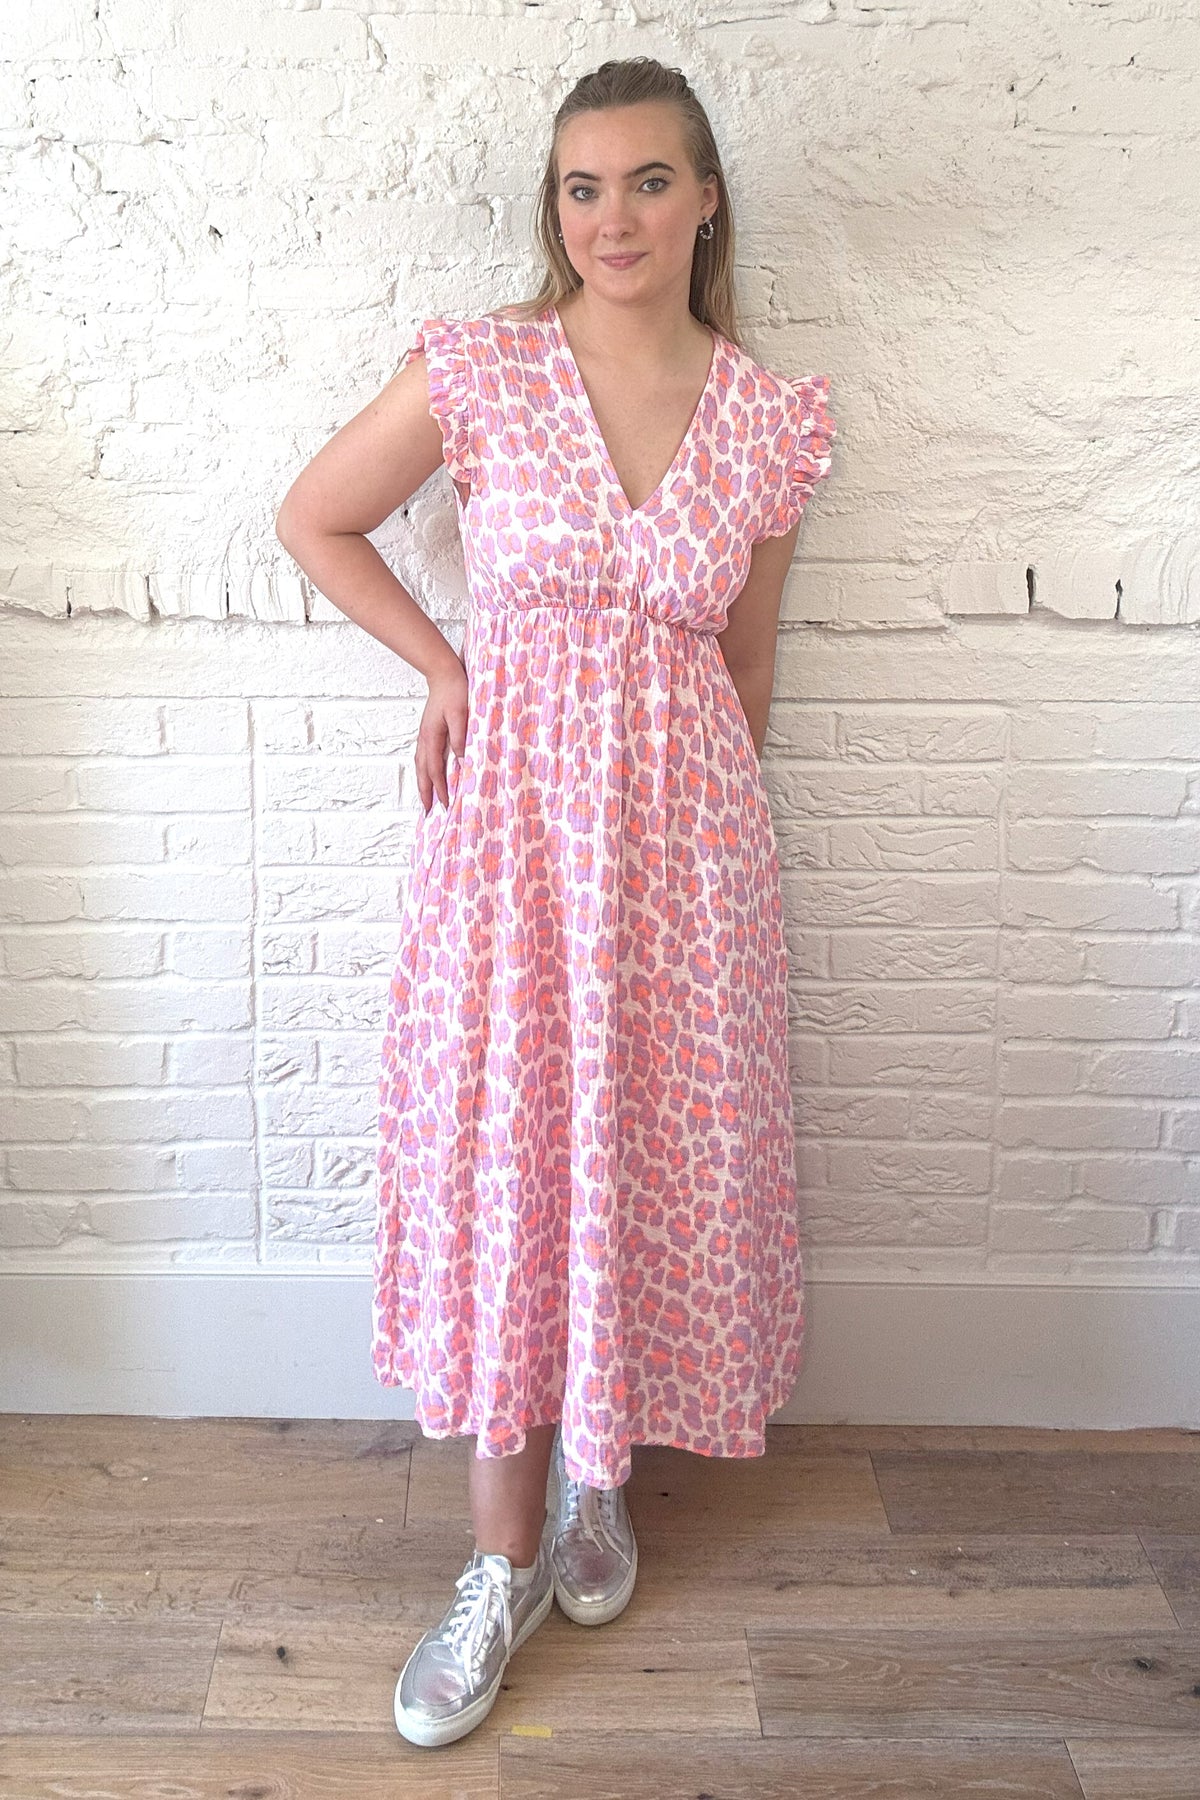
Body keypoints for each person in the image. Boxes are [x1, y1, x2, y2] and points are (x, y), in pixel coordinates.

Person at [275, 54, 835, 1750]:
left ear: (707, 198)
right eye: (584, 188)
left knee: (646, 1158)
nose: (614, 219)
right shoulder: (485, 371)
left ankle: (606, 1474)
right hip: (514, 859)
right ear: (555, 207)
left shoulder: (766, 420)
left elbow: (746, 675)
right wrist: (449, 667)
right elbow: (317, 518)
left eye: (649, 182)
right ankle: (499, 1562)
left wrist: (697, 863)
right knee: (518, 1164)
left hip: (684, 864)